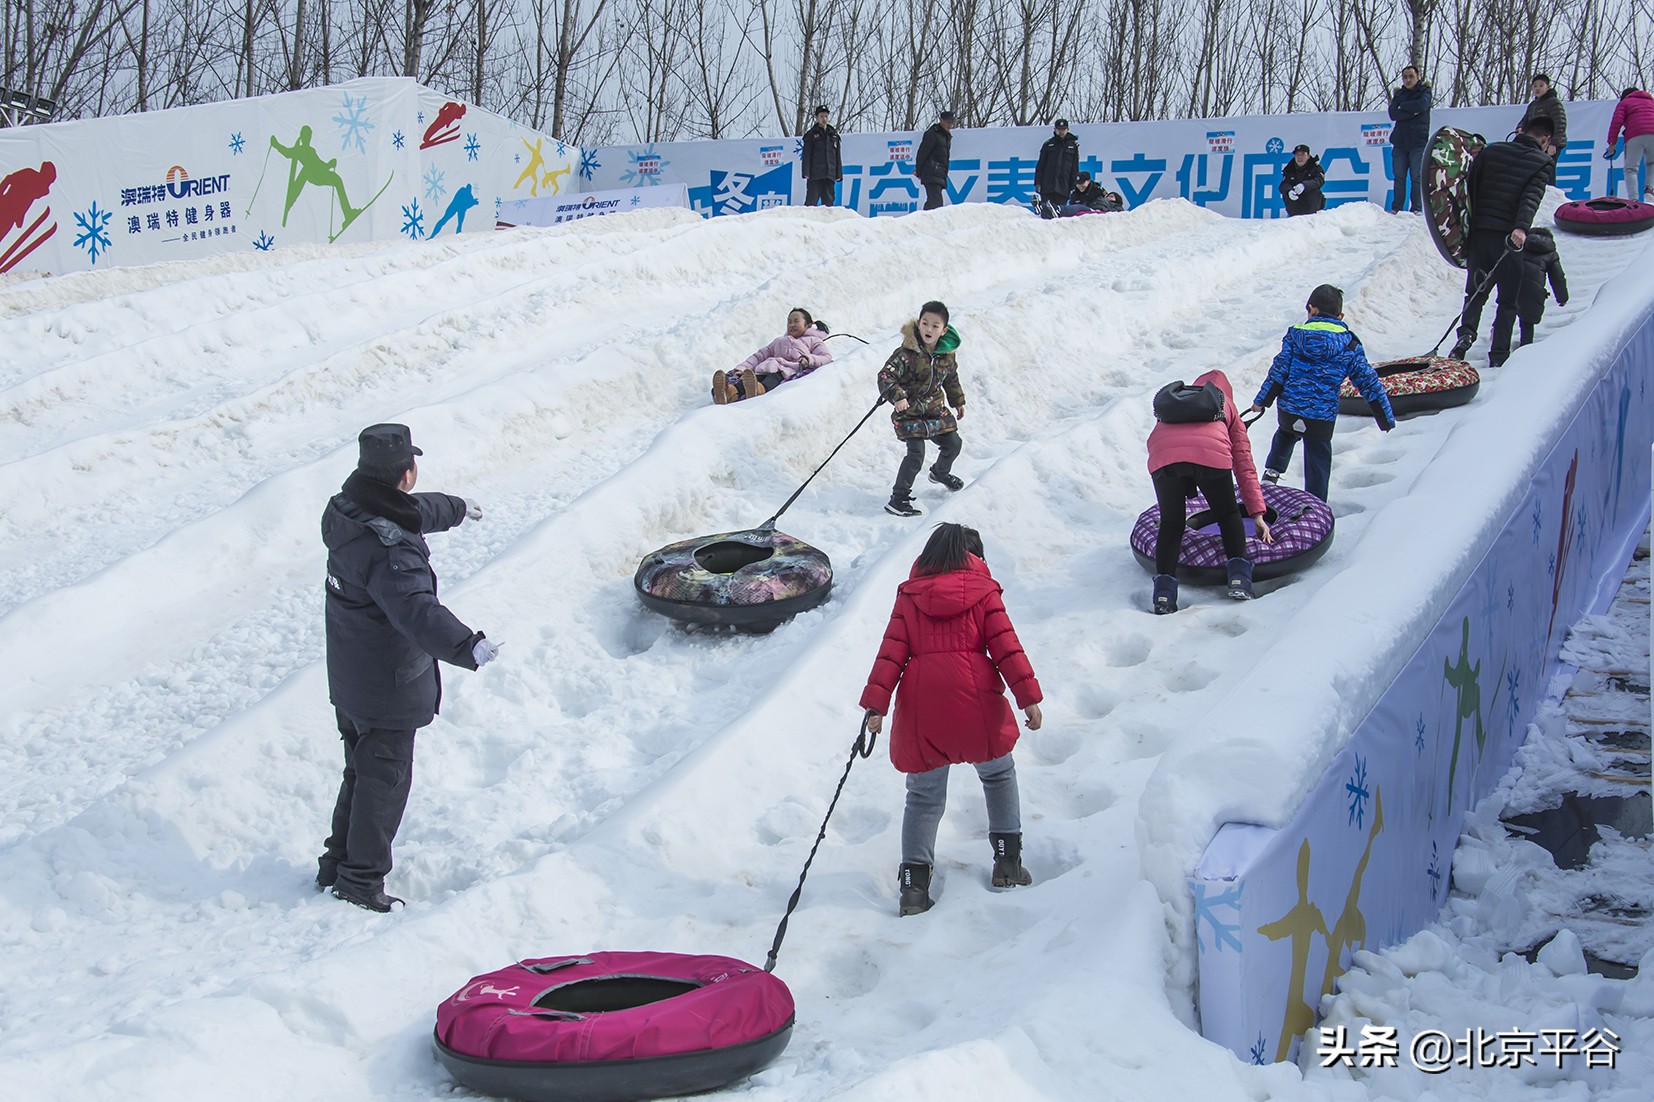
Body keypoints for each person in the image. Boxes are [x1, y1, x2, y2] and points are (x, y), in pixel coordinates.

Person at [319, 424, 499, 912]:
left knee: (359, 772)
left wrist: (458, 508)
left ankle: (336, 864)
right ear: (407, 473)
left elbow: (413, 510)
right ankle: (360, 880)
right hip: (386, 685)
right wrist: (468, 646)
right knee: (384, 782)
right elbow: (417, 611)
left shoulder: (347, 509)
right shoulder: (392, 550)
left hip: (351, 673)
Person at [858, 523, 1044, 916]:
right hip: (976, 698)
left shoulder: (910, 596)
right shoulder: (984, 592)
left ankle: (913, 887)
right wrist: (1028, 698)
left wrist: (877, 706)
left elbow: (890, 652)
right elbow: (1006, 646)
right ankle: (1008, 864)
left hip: (923, 703)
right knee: (997, 774)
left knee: (923, 797)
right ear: (974, 557)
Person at [1249, 284, 1395, 502]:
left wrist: (1262, 401)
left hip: (1290, 409)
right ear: (1341, 315)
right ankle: (1316, 504)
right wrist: (1384, 417)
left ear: (1311, 309)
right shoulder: (1349, 343)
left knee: (1285, 434)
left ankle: (1272, 474)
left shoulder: (1295, 335)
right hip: (1321, 416)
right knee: (1318, 456)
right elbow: (1368, 381)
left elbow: (1279, 371)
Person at [1147, 370, 1275, 614]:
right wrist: (1257, 512)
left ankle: (1163, 595)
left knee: (1171, 523)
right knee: (1227, 514)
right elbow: (1244, 465)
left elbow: (1176, 445)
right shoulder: (1227, 407)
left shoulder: (1177, 404)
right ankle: (1239, 579)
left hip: (1162, 458)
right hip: (1210, 457)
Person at [1449, 116, 1556, 366]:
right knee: (1508, 300)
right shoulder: (1542, 162)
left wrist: (1472, 225)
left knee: (1475, 292)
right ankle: (1498, 356)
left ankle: (1464, 337)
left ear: (1522, 131)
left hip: (1479, 233)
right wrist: (1520, 228)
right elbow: (1531, 198)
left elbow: (1470, 187)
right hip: (1508, 239)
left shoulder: (1491, 151)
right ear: (1545, 139)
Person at [878, 301, 966, 516]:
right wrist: (897, 396)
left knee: (954, 443)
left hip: (935, 410)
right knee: (916, 453)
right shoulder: (906, 353)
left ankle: (940, 473)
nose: (929, 329)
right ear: (918, 324)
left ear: (944, 330)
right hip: (909, 411)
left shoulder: (946, 355)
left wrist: (958, 401)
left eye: (935, 326)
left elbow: (951, 379)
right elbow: (885, 376)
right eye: (925, 323)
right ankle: (898, 498)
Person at [712, 307, 833, 403]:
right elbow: (759, 356)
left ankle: (758, 389)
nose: (792, 324)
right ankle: (729, 393)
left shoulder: (814, 340)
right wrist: (741, 369)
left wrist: (808, 359)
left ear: (808, 325)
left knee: (773, 377)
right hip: (766, 367)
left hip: (787, 369)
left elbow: (825, 357)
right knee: (751, 377)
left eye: (796, 321)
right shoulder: (779, 341)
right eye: (789, 322)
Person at [1514, 227, 1568, 349]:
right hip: (1535, 291)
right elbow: (1557, 277)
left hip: (1514, 285)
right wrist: (1562, 297)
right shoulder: (1550, 252)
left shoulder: (1521, 245)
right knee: (1527, 322)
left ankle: (1499, 349)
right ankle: (1525, 348)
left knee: (1507, 313)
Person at [1388, 66, 1432, 213]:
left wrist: (1403, 107)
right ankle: (1397, 208)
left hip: (1418, 142)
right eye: (1405, 77)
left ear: (1417, 77)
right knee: (1399, 177)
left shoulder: (1425, 92)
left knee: (1416, 177)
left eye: (1411, 76)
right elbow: (1393, 114)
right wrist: (1411, 112)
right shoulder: (1399, 94)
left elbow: (1422, 105)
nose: (1408, 80)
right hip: (1400, 141)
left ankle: (1417, 209)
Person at [1606, 86, 1654, 202]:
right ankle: (1650, 190)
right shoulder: (1651, 102)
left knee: (1631, 169)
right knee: (1652, 164)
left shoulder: (1625, 103)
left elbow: (1616, 121)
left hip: (1634, 135)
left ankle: (1633, 199)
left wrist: (1612, 142)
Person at [1034, 118, 1079, 218]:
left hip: (1063, 186)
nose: (1061, 131)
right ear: (1054, 130)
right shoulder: (1048, 144)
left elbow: (1074, 169)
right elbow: (1040, 166)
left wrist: (1073, 186)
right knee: (1046, 213)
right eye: (1059, 129)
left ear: (1067, 129)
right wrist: (1038, 182)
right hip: (1047, 185)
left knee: (1059, 213)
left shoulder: (1073, 146)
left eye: (1063, 129)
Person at [801, 105, 842, 207]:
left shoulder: (833, 135)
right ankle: (806, 222)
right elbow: (807, 155)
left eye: (826, 116)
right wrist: (806, 172)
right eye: (821, 116)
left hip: (829, 175)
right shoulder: (811, 134)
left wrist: (838, 174)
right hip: (815, 175)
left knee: (829, 204)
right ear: (817, 118)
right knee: (811, 202)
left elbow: (837, 156)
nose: (824, 119)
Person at [914, 111, 955, 211]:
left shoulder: (945, 136)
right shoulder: (933, 133)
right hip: (931, 172)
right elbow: (922, 153)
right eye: (947, 122)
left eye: (951, 122)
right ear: (941, 120)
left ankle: (923, 220)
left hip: (939, 174)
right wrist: (919, 171)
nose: (949, 125)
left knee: (933, 202)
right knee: (936, 203)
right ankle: (925, 222)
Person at [1519, 74, 1568, 157]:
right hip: (1535, 143)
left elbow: (1560, 124)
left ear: (1548, 87)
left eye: (1541, 85)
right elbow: (1525, 119)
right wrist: (1520, 127)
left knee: (1547, 168)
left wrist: (1553, 144)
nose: (1537, 88)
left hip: (1548, 143)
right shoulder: (1533, 105)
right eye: (1535, 86)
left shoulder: (1553, 103)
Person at [1280, 145, 1326, 216]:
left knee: (1315, 191)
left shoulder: (1316, 168)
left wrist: (1304, 185)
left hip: (1312, 207)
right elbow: (1283, 184)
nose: (1300, 157)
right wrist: (1289, 191)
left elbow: (1319, 180)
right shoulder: (1289, 169)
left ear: (1308, 156)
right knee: (1286, 193)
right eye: (1297, 154)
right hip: (1296, 205)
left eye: (1303, 154)